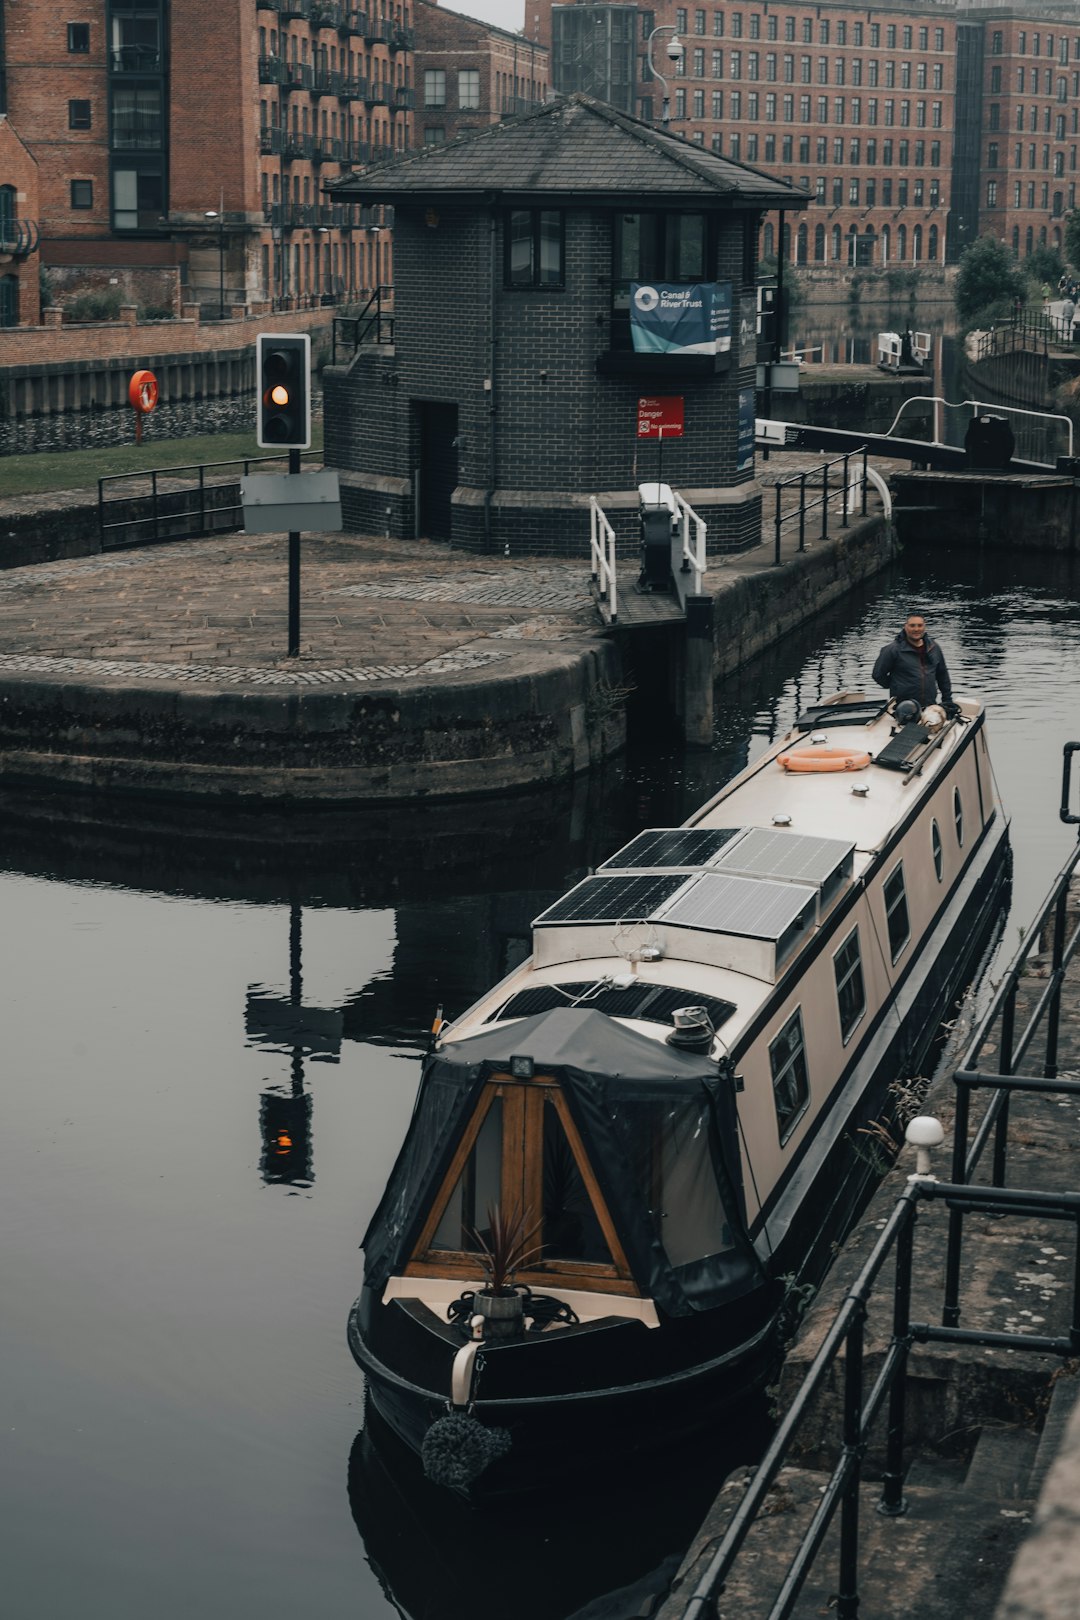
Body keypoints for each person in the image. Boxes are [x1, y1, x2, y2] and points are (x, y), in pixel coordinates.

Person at [872, 613, 957, 713]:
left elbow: (942, 675)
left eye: (920, 625)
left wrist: (947, 700)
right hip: (903, 708)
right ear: (905, 627)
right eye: (912, 625)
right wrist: (896, 685)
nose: (916, 629)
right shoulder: (892, 650)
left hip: (929, 706)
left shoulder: (934, 647)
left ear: (924, 627)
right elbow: (878, 674)